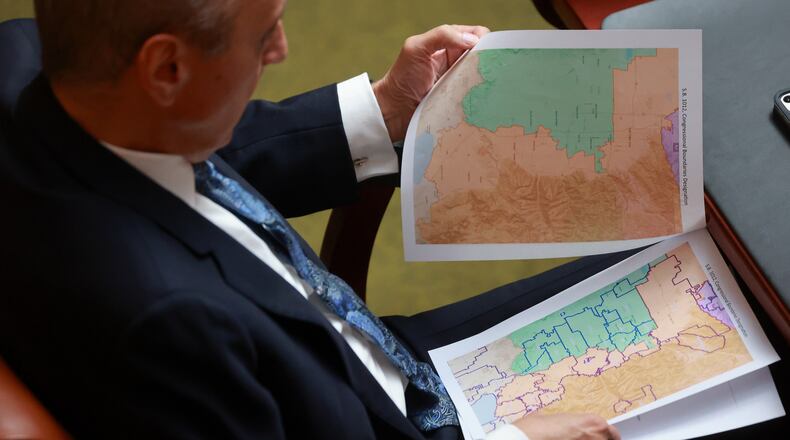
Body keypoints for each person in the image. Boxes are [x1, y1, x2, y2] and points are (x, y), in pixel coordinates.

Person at [0, 0, 627, 439]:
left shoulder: (32, 66)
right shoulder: (166, 325)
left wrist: (381, 111)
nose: (282, 50)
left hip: (374, 356)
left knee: (667, 273)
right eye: (264, 33)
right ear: (165, 68)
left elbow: (196, 134)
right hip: (396, 419)